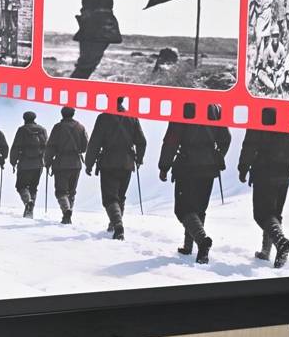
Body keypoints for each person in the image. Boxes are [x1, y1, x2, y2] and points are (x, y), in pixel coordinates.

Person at [157, 105, 230, 264]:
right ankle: (189, 246)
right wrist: (216, 156)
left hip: (187, 166)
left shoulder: (183, 105)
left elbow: (172, 140)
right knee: (199, 208)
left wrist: (164, 166)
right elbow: (226, 138)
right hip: (209, 168)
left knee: (183, 209)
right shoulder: (215, 107)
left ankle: (202, 241)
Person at [238, 111, 289, 268]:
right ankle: (266, 251)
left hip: (264, 172)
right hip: (285, 172)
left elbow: (250, 144)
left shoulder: (260, 114)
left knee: (262, 215)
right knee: (274, 214)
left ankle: (280, 242)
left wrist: (243, 167)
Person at [70, 0, 142, 79]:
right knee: (87, 64)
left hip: (93, 27)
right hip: (98, 29)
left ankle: (75, 84)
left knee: (87, 63)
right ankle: (74, 85)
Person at [84, 98, 146, 240]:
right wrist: (139, 159)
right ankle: (114, 223)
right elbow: (142, 142)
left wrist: (89, 163)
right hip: (127, 163)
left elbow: (94, 143)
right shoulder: (132, 118)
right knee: (120, 196)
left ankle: (117, 225)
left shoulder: (103, 118)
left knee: (110, 198)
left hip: (108, 163)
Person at [43, 106, 88, 224]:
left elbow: (50, 147)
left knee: (61, 191)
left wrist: (47, 162)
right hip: (76, 164)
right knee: (72, 191)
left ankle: (66, 211)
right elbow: (85, 147)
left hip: (61, 164)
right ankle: (68, 215)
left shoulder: (57, 127)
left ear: (62, 114)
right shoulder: (80, 127)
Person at [9, 111, 48, 219]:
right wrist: (47, 162)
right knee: (33, 187)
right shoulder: (42, 130)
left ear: (24, 118)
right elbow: (47, 147)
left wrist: (13, 161)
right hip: (38, 164)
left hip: (24, 163)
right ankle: (30, 211)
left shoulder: (22, 130)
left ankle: (28, 202)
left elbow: (16, 146)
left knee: (21, 186)